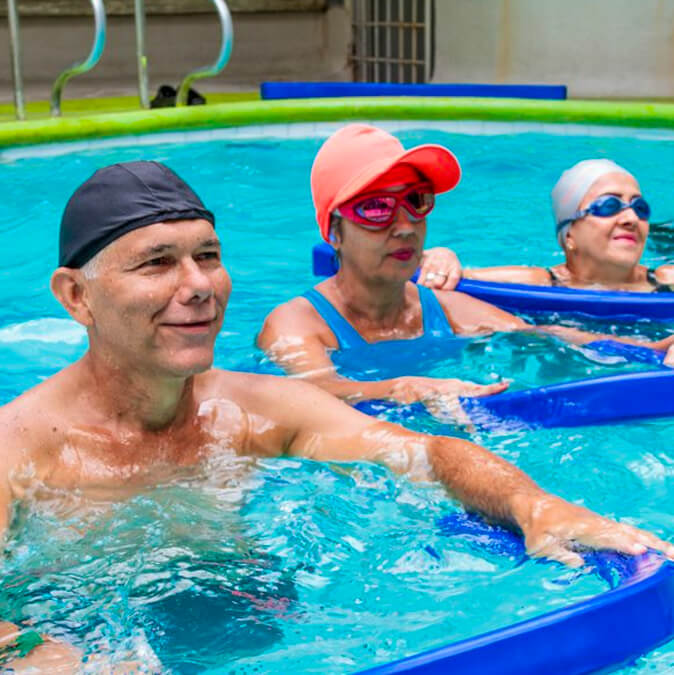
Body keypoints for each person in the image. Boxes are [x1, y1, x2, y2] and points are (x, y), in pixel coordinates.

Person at [0, 161, 672, 670]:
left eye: (208, 255)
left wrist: (536, 505)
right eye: (157, 263)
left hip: (255, 610)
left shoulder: (252, 410)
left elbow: (427, 452)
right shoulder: (17, 448)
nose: (199, 284)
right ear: (75, 296)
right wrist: (39, 652)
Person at [257, 125, 674, 406]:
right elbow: (316, 392)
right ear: (333, 230)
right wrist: (405, 388)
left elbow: (545, 335)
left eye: (415, 201)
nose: (404, 226)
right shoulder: (297, 325)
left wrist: (655, 352)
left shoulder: (446, 309)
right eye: (377, 208)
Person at [457, 159, 674, 292]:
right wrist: (441, 257)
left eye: (640, 208)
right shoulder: (539, 283)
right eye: (608, 206)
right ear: (569, 235)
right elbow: (446, 278)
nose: (631, 219)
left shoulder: (666, 282)